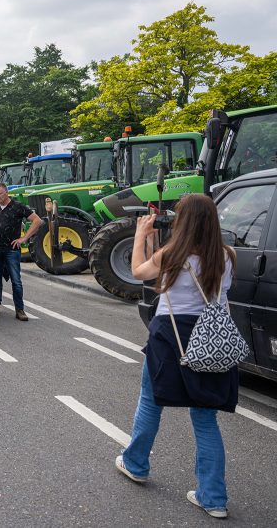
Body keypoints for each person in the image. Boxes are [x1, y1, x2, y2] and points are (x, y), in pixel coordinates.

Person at [116, 194, 237, 519]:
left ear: (184, 222)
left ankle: (136, 463)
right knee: (205, 417)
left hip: (171, 338)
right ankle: (213, 498)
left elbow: (141, 273)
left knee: (151, 401)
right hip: (209, 339)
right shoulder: (227, 256)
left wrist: (142, 235)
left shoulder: (174, 254)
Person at [0, 183, 41, 321]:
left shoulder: (18, 206)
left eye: (0, 194)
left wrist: (24, 238)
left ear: (7, 193)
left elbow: (37, 220)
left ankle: (19, 309)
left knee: (16, 280)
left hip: (12, 250)